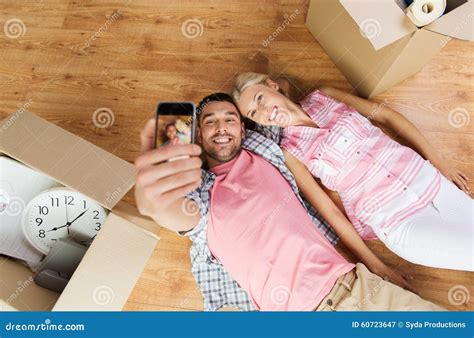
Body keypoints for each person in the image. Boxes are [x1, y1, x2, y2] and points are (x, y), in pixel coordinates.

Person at [134, 93, 444, 311]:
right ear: (199, 136)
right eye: (210, 122)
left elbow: (277, 95)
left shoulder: (269, 150)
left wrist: (379, 268)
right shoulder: (201, 196)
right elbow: (175, 213)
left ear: (243, 129)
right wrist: (153, 201)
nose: (221, 127)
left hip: (363, 290)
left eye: (229, 119)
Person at [232, 72, 473, 272]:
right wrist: (375, 265)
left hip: (433, 182)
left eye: (260, 99)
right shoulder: (290, 152)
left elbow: (387, 116)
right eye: (254, 113)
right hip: (399, 221)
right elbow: (329, 210)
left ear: (272, 86)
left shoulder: (325, 95)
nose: (263, 111)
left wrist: (442, 163)